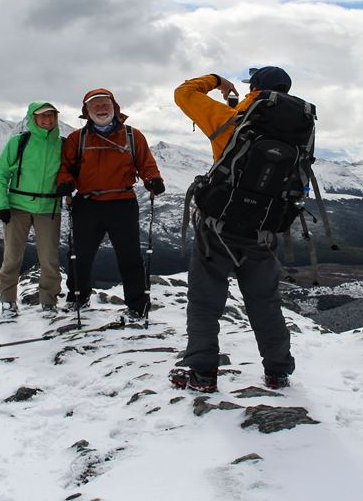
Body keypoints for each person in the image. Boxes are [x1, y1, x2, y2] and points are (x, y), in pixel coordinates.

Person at [170, 67, 298, 392]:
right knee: (264, 301)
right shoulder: (297, 126)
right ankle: (278, 371)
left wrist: (215, 80)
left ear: (253, 88)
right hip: (264, 229)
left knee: (205, 300)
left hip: (219, 226)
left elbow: (183, 94)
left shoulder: (230, 120)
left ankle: (201, 373)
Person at [55, 88, 165, 319]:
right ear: (86, 111)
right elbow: (66, 167)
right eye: (96, 106)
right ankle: (78, 298)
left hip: (122, 203)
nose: (102, 109)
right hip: (87, 203)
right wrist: (65, 182)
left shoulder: (133, 136)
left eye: (106, 104)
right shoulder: (77, 138)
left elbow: (146, 164)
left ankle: (137, 305)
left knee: (130, 256)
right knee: (80, 255)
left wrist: (153, 180)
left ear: (115, 107)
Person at [0, 101, 64, 317]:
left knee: (49, 258)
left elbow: (71, 172)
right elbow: (2, 174)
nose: (47, 119)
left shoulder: (63, 144)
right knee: (12, 256)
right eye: (42, 116)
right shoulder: (19, 142)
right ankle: (7, 301)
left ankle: (49, 301)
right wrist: (1, 204)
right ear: (33, 118)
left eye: (51, 116)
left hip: (49, 207)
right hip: (17, 207)